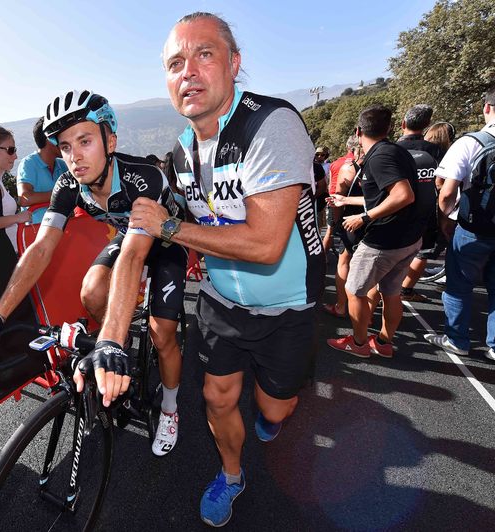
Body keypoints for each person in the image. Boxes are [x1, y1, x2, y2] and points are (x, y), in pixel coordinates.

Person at [129, 13, 323, 527]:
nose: (187, 71)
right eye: (174, 63)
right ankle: (231, 476)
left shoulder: (271, 122)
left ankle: (272, 410)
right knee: (215, 397)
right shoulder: (181, 147)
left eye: (204, 54)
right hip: (220, 301)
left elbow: (264, 244)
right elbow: (204, 219)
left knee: (274, 411)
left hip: (288, 305)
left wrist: (169, 229)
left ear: (234, 64)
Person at [0, 90, 188, 456]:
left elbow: (133, 257)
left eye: (85, 141)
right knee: (91, 292)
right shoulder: (68, 186)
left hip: (165, 243)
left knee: (162, 334)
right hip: (128, 237)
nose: (74, 156)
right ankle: (121, 357)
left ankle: (171, 408)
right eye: (64, 146)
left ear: (110, 140)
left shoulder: (142, 178)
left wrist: (109, 337)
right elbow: (41, 247)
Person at [425, 82, 495, 364]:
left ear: (487, 107)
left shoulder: (471, 142)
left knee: (459, 283)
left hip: (473, 227)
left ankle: (456, 339)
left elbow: (447, 191)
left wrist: (445, 220)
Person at [327, 105, 422, 359]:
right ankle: (383, 342)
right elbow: (384, 196)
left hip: (384, 240)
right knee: (390, 292)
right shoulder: (396, 152)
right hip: (408, 239)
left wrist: (364, 217)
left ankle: (358, 344)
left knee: (355, 290)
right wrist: (346, 202)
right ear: (389, 128)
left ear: (358, 132)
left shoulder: (379, 157)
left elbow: (403, 195)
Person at [395, 105, 444, 303]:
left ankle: (385, 292)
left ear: (403, 124)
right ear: (426, 125)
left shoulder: (391, 149)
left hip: (395, 212)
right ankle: (406, 290)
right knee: (422, 253)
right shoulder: (437, 151)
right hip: (426, 213)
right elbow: (443, 184)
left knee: (390, 252)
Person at [16, 117, 69, 224]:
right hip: (36, 231)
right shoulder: (29, 163)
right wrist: (62, 195)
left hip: (64, 229)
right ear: (49, 139)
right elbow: (24, 198)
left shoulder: (63, 165)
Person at [322, 135, 358, 253]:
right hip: (354, 203)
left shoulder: (336, 163)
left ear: (347, 146)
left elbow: (330, 184)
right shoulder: (361, 162)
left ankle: (323, 259)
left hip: (335, 200)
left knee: (330, 232)